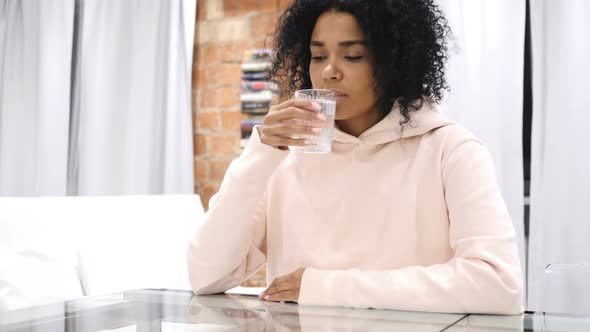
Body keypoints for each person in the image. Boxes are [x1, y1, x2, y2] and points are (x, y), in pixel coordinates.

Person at [188, 0, 523, 314]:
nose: (330, 72)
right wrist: (259, 152)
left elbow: (498, 285)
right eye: (318, 56)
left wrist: (326, 287)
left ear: (395, 61)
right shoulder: (285, 156)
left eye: (354, 56)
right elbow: (206, 276)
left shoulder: (450, 149)